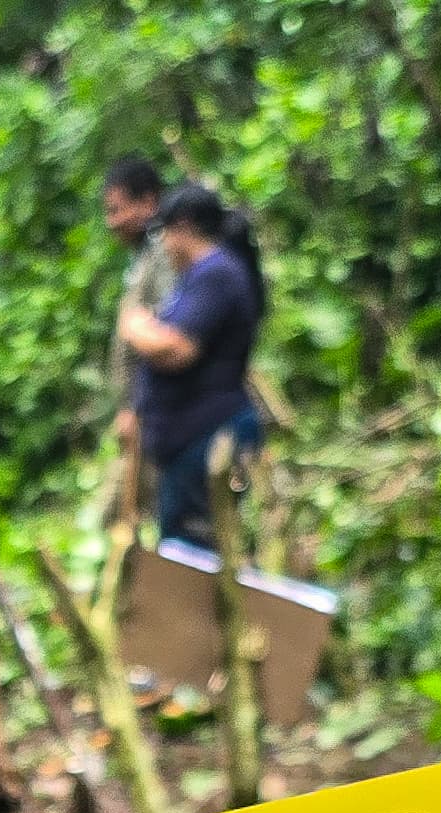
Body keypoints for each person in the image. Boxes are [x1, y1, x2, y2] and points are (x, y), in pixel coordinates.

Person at [117, 184, 265, 552]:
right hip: (189, 443)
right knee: (187, 550)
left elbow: (178, 348)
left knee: (194, 557)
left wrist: (136, 328)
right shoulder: (201, 276)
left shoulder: (217, 273)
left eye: (165, 233)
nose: (164, 246)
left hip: (208, 436)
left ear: (183, 227)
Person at [98, 154, 176, 498]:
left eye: (117, 210)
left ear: (148, 202)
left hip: (162, 411)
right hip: (146, 413)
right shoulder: (144, 256)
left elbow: (168, 335)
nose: (111, 222)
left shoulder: (165, 253)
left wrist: (136, 407)